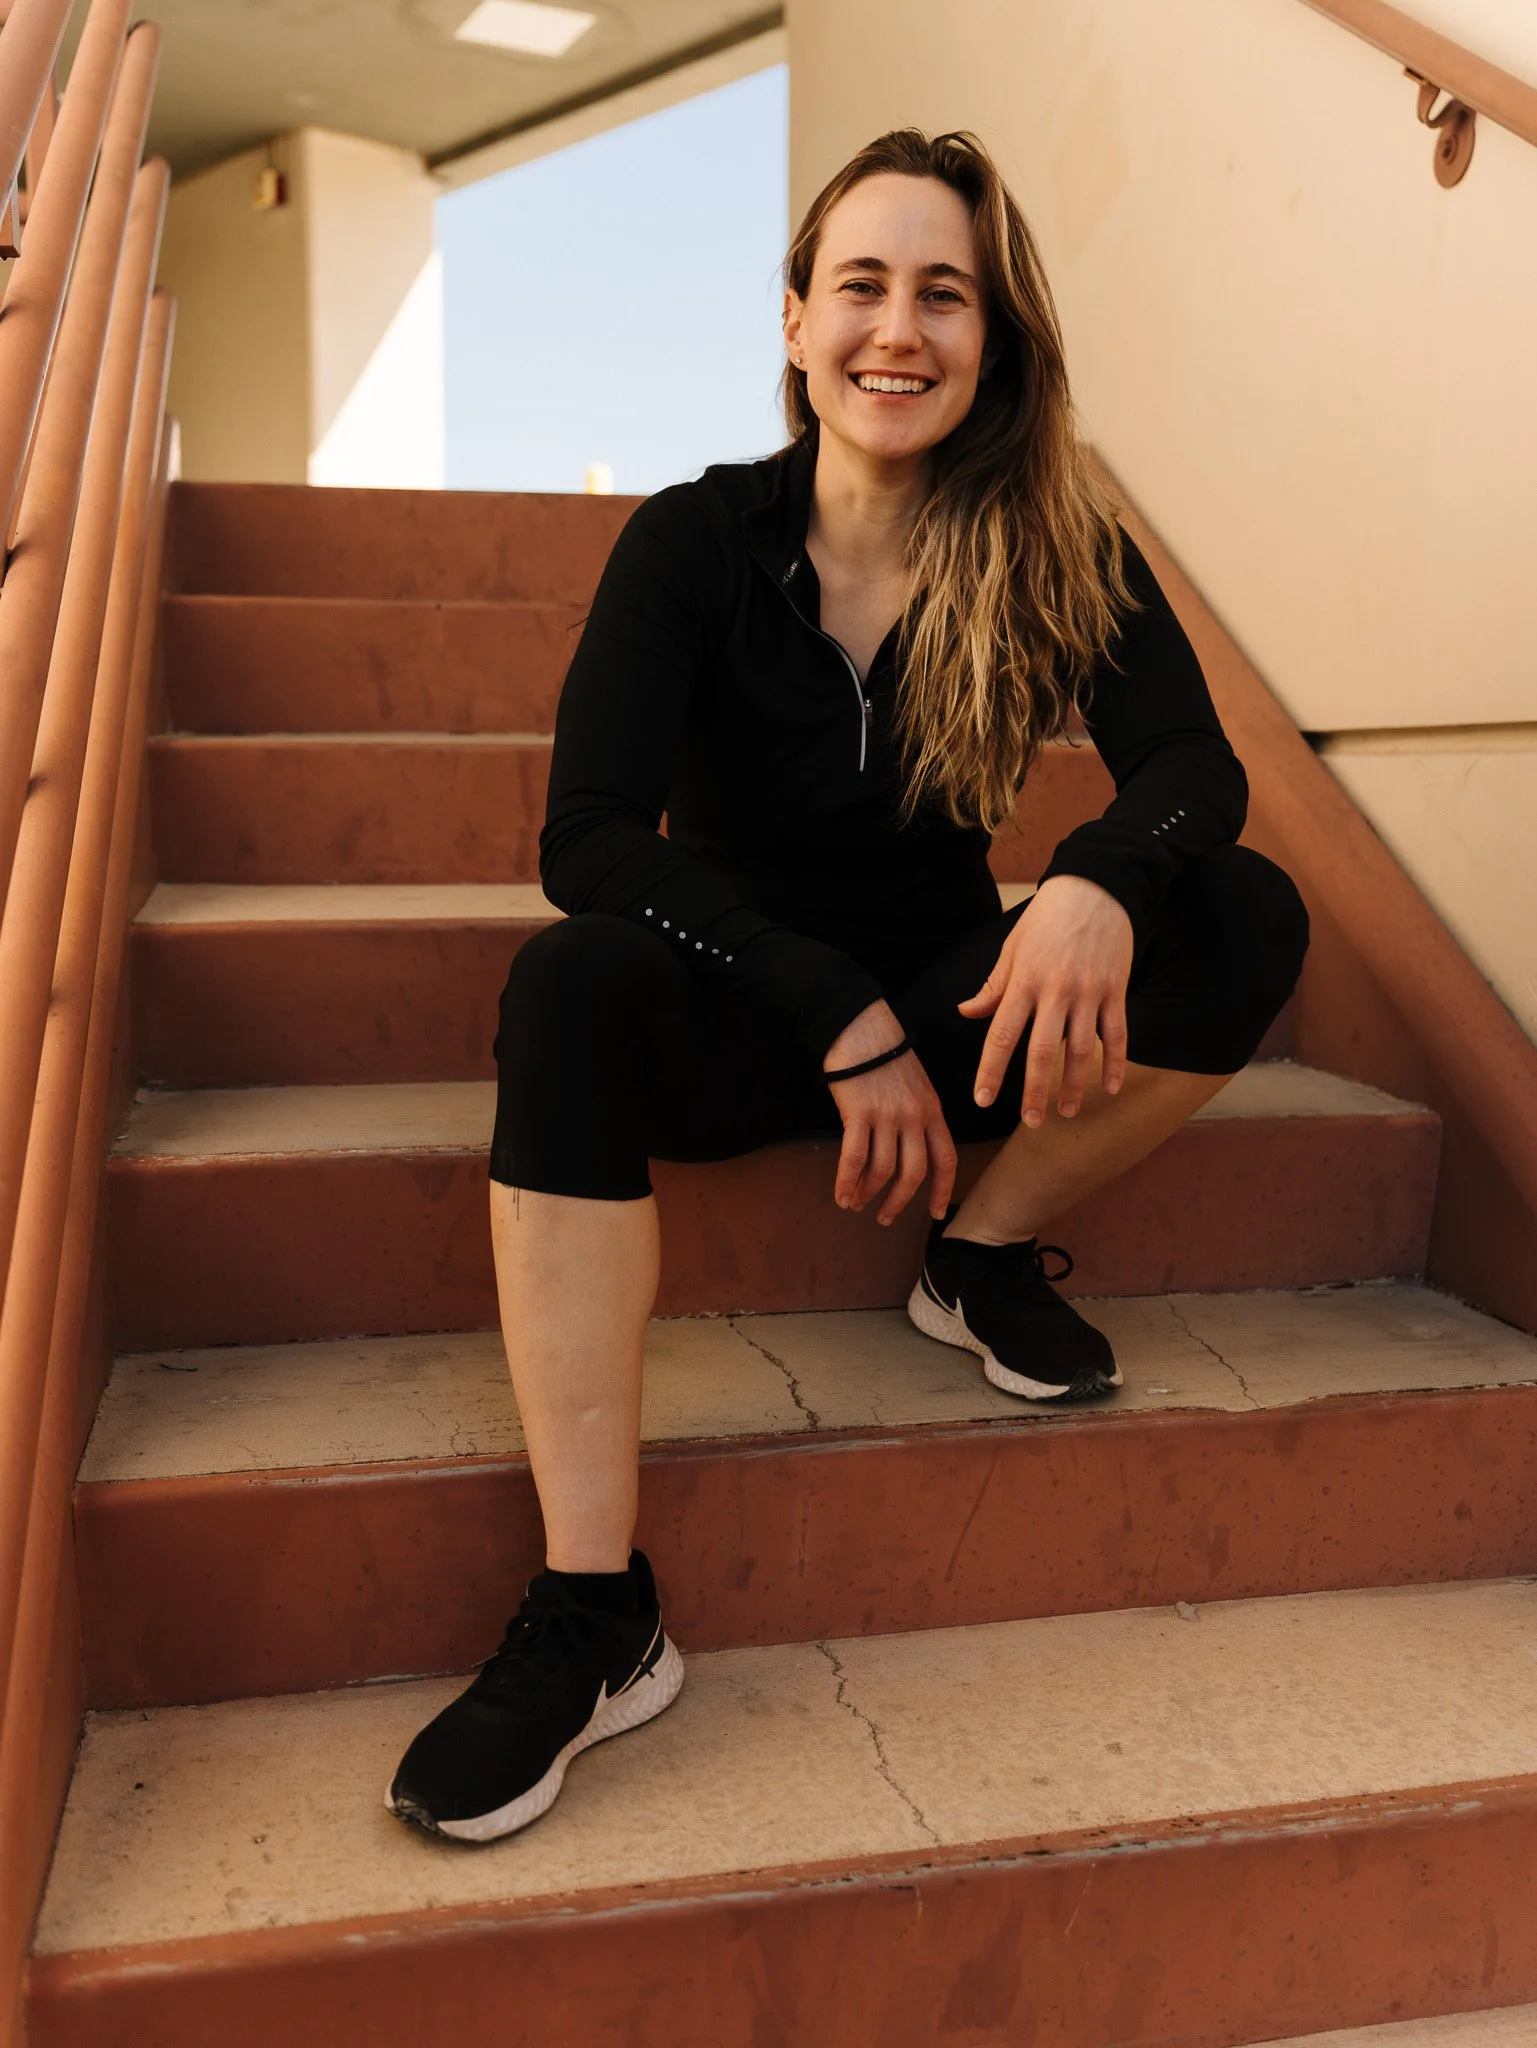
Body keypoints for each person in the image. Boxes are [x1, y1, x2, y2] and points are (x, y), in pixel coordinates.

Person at [387, 128, 1308, 1844]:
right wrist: (830, 1010)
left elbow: (1192, 763)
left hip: (961, 998)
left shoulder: (1051, 542)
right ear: (798, 323)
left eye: (944, 293)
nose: (901, 328)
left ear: (993, 341)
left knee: (1239, 911)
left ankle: (970, 1252)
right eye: (863, 286)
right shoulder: (695, 543)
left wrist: (1098, 878)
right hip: (747, 1002)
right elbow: (588, 836)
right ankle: (599, 1610)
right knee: (566, 986)